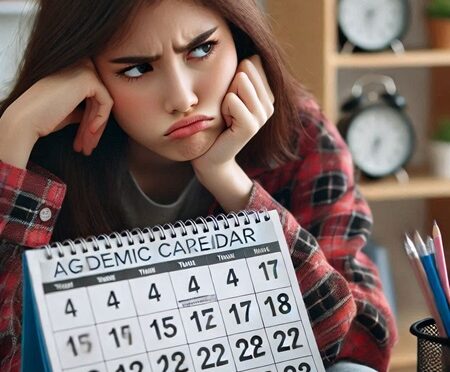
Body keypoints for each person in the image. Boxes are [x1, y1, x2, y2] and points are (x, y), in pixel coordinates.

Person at [0, 0, 397, 371]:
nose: (182, 97)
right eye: (136, 69)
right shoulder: (31, 144)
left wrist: (230, 182)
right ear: (83, 72)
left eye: (202, 50)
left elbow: (358, 345)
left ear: (241, 41)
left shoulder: (301, 135)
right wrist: (13, 138)